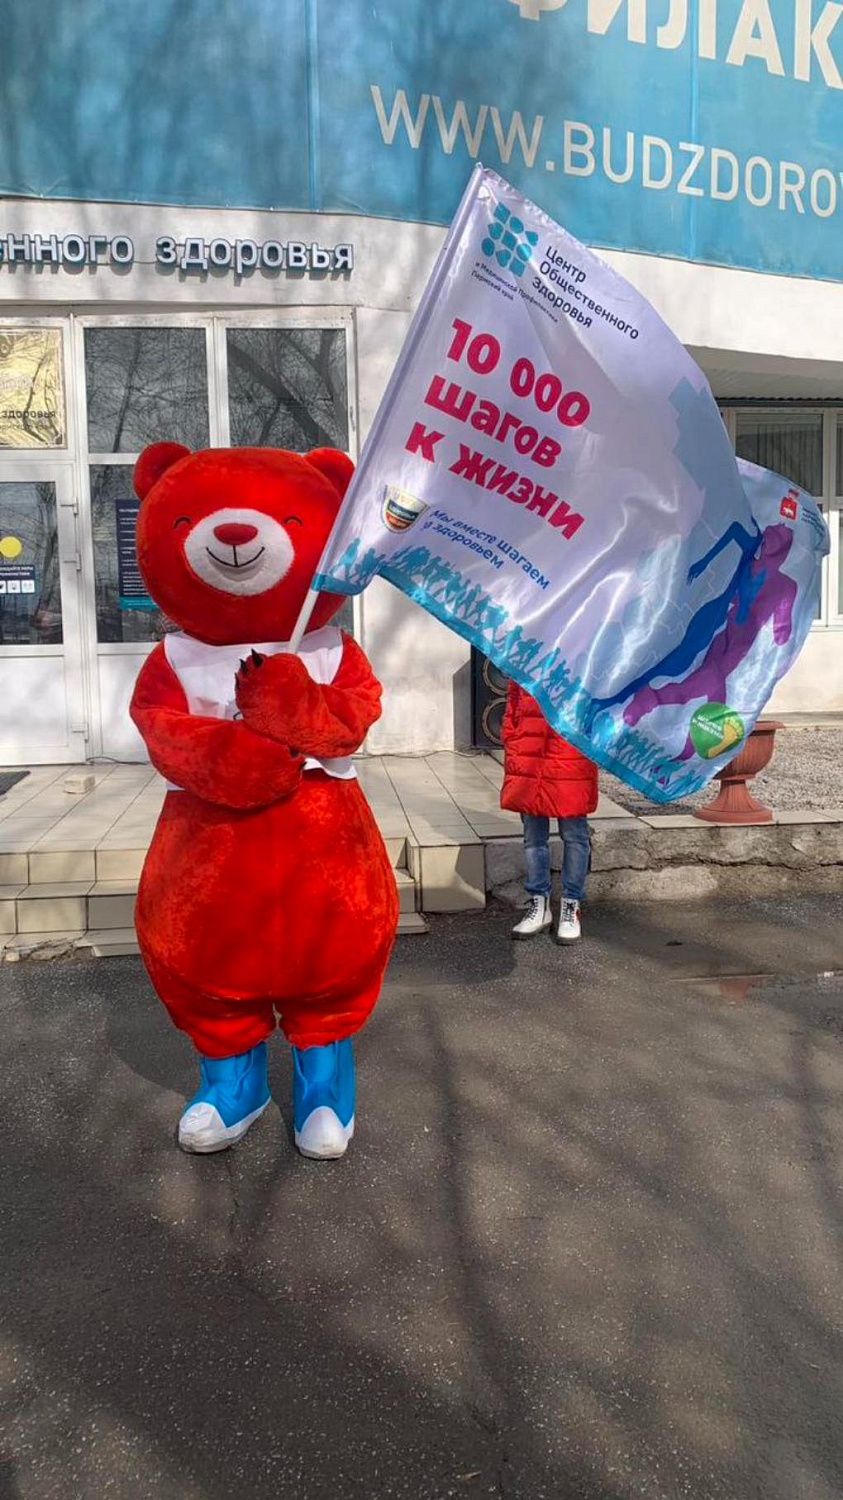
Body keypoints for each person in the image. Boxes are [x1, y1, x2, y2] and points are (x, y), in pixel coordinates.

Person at [500, 680, 598, 943]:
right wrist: (511, 737)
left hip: (570, 751)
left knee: (574, 834)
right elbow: (513, 700)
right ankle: (538, 904)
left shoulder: (582, 650)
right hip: (529, 751)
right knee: (533, 836)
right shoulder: (528, 648)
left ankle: (571, 905)